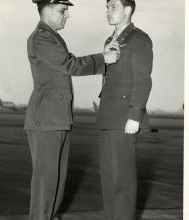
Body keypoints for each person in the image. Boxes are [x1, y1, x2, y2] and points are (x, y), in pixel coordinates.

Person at [24, 0, 118, 219]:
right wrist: (103, 58)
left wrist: (101, 57)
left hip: (56, 120)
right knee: (45, 183)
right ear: (45, 9)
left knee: (56, 180)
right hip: (45, 120)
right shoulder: (41, 38)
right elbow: (70, 65)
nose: (67, 15)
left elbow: (68, 64)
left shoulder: (52, 38)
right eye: (62, 10)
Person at [96, 0, 153, 219]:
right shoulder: (111, 40)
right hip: (108, 116)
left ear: (127, 9)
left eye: (113, 7)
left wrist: (135, 115)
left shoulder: (139, 39)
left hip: (124, 118)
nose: (108, 11)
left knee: (122, 179)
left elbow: (143, 80)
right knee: (108, 178)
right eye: (107, 7)